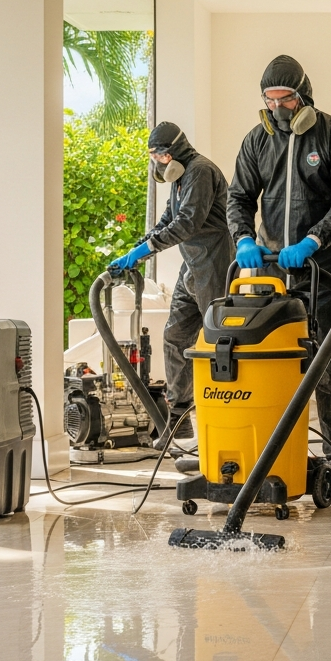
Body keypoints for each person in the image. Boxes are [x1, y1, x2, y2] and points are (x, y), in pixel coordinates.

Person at [227, 55, 331, 499]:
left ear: (303, 97)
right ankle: (271, 457)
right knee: (270, 364)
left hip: (325, 269)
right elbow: (239, 196)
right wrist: (243, 238)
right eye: (269, 101)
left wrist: (313, 239)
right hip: (272, 272)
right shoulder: (257, 141)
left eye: (285, 99)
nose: (277, 109)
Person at [110, 122, 234, 445]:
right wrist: (138, 248)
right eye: (153, 157)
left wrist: (147, 250)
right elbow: (168, 219)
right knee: (175, 335)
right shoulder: (179, 179)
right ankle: (179, 420)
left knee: (219, 343)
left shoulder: (201, 171)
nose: (158, 162)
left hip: (215, 265)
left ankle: (228, 418)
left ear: (175, 151)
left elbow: (187, 223)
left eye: (161, 155)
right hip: (192, 268)